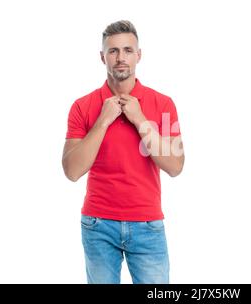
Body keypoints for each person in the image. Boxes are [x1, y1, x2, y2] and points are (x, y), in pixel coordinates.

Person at [62, 20, 184, 284]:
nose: (120, 58)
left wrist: (140, 120)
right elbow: (72, 171)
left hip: (148, 224)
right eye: (113, 51)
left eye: (128, 50)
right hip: (98, 225)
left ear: (138, 55)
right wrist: (103, 121)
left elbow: (175, 166)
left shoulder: (163, 104)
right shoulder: (82, 106)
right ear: (102, 57)